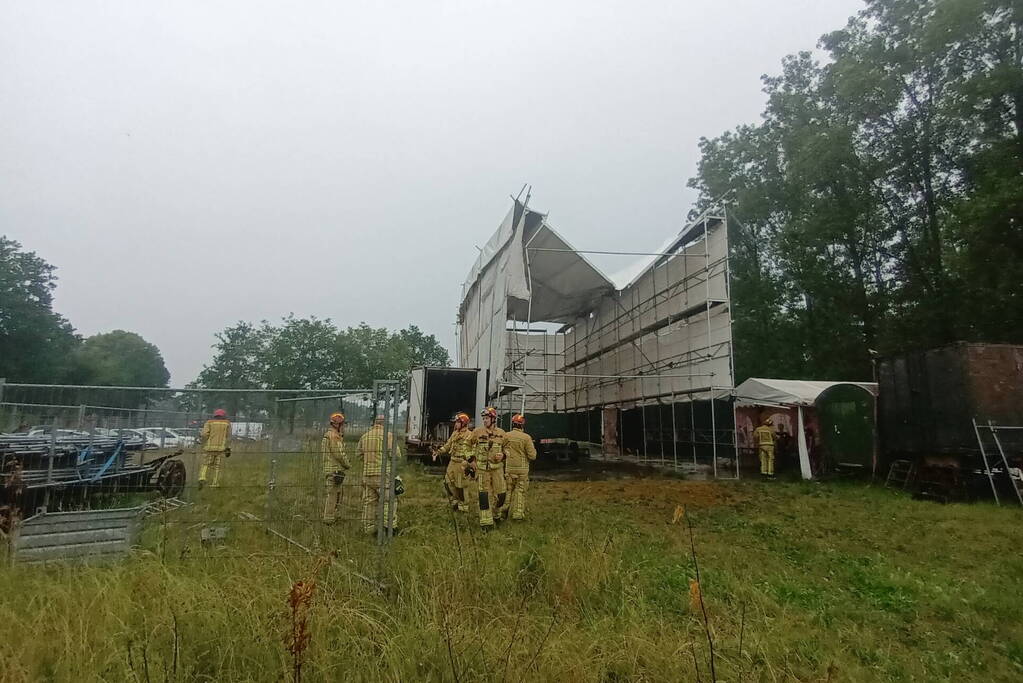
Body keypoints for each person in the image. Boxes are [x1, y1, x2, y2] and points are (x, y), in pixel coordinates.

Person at [358, 415, 400, 534]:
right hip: (383, 475)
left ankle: (369, 529)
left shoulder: (365, 436)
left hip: (367, 474)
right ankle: (389, 527)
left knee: (369, 502)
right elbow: (396, 455)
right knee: (389, 500)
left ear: (375, 423)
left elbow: (359, 454)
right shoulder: (388, 435)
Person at [471, 407, 506, 530]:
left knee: (501, 495)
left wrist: (503, 455)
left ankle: (497, 514)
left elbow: (508, 449)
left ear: (493, 419)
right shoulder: (477, 432)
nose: (485, 421)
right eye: (483, 419)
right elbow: (467, 445)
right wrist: (471, 460)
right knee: (484, 496)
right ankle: (486, 523)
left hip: (497, 470)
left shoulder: (502, 433)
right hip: (482, 470)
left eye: (487, 418)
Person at [433, 412, 476, 512]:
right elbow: (448, 445)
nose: (455, 424)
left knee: (461, 485)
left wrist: (470, 463)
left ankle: (463, 507)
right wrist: (438, 452)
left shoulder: (470, 435)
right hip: (452, 461)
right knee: (447, 482)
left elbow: (474, 450)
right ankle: (455, 501)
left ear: (463, 423)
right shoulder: (454, 433)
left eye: (457, 422)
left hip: (462, 463)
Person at [501, 413, 537, 521]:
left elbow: (501, 450)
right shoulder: (526, 438)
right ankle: (517, 515)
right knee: (520, 492)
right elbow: (532, 456)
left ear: (512, 424)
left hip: (509, 469)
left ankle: (503, 512)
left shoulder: (506, 436)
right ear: (522, 425)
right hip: (522, 470)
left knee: (508, 491)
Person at [321, 412, 350, 524]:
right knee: (333, 495)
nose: (344, 427)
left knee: (336, 493)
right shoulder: (334, 436)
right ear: (337, 425)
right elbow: (339, 454)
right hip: (335, 469)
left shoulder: (328, 435)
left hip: (329, 467)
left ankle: (332, 516)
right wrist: (347, 464)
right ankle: (328, 520)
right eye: (343, 424)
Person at [199, 408, 231, 488]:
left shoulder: (209, 422)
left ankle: (202, 477)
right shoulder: (227, 423)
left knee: (205, 463)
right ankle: (214, 483)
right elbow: (228, 436)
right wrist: (228, 447)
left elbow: (204, 434)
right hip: (221, 448)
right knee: (217, 466)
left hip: (209, 447)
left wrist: (203, 441)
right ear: (224, 416)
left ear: (215, 415)